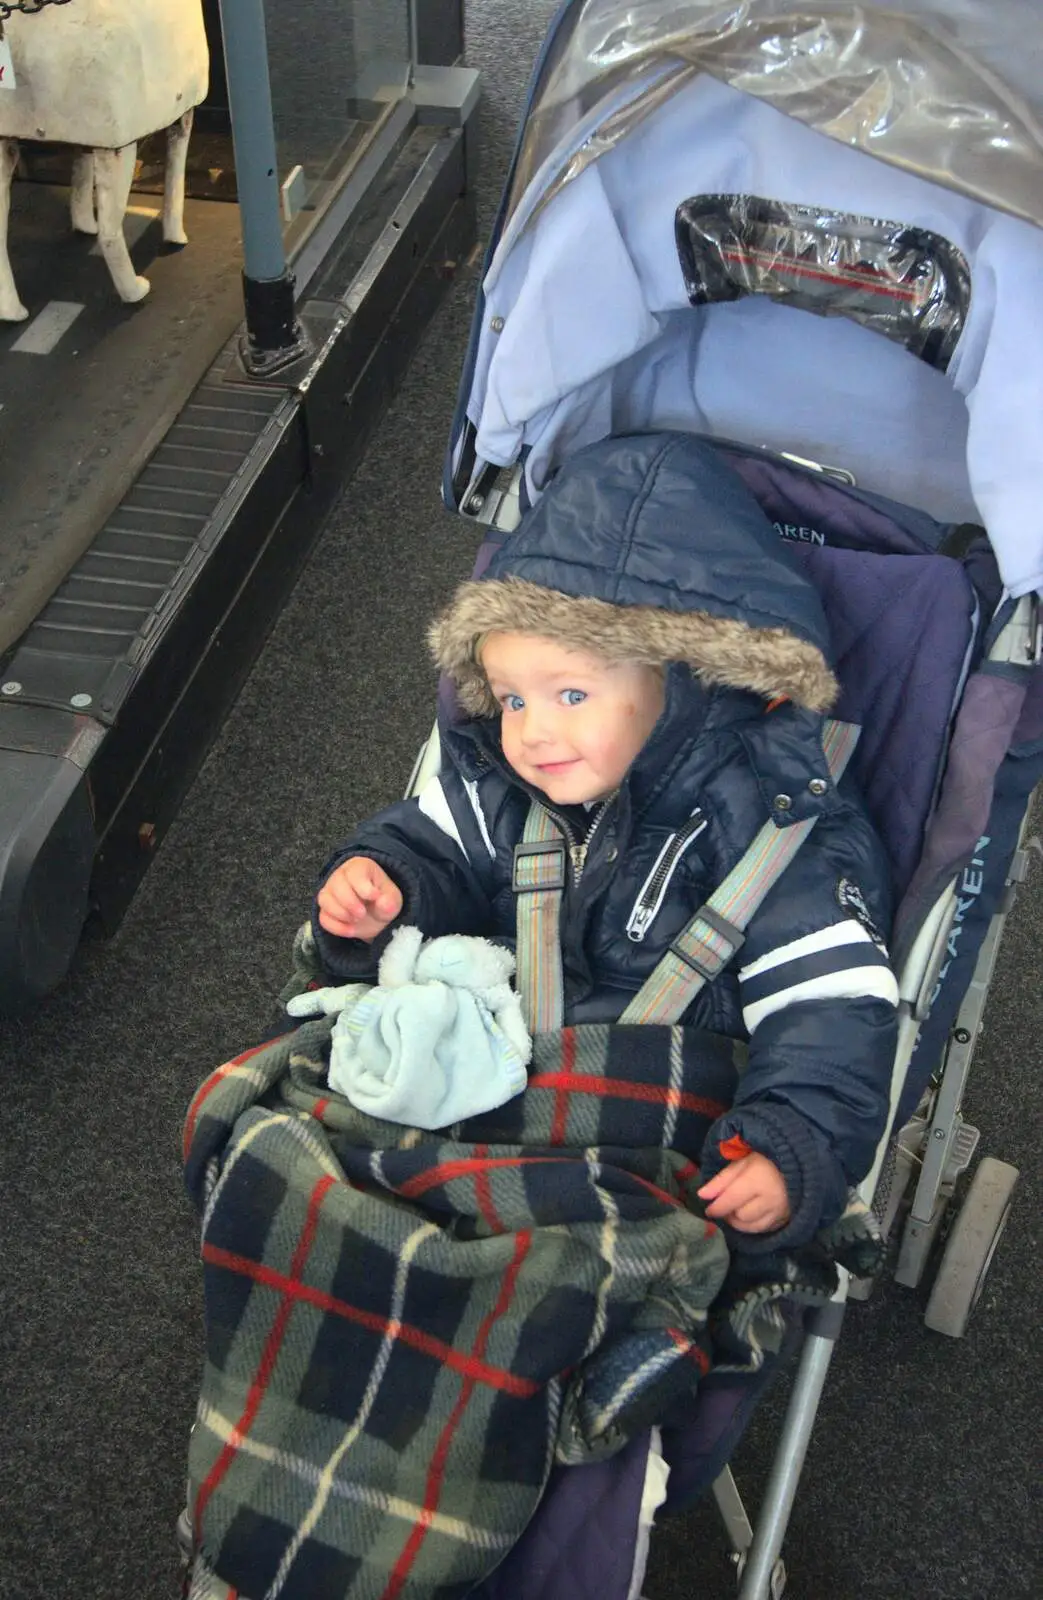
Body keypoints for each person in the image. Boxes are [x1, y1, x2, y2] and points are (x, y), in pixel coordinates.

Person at [310, 431, 899, 1250]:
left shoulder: (775, 821)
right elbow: (435, 846)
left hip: (655, 1120)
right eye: (512, 699)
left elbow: (828, 1007)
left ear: (686, 677)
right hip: (492, 1081)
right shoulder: (505, 789)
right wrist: (382, 881)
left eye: (571, 692)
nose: (531, 731)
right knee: (312, 1142)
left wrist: (789, 1141)